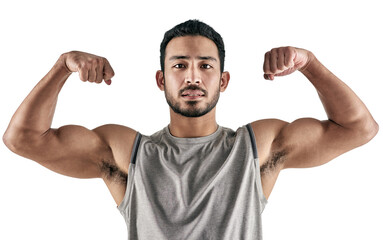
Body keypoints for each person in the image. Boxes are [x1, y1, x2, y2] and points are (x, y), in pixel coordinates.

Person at [3, 19, 378, 240]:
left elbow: (359, 128)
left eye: (206, 66)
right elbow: (22, 140)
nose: (193, 76)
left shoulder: (255, 147)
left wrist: (310, 63)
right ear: (161, 79)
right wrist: (61, 67)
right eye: (180, 66)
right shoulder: (127, 152)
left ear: (224, 80)